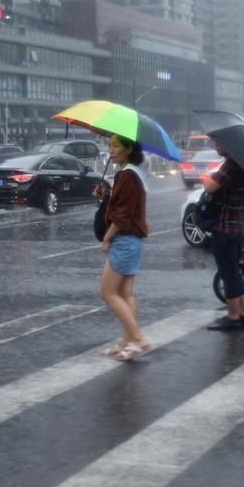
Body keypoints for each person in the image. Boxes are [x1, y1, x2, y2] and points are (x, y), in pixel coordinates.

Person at [93, 134, 150, 361]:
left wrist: (107, 239)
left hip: (124, 240)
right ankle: (128, 341)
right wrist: (106, 197)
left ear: (129, 149)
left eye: (115, 146)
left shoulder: (126, 175)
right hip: (132, 240)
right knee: (125, 294)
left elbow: (123, 215)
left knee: (107, 293)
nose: (111, 150)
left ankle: (137, 338)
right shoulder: (134, 173)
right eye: (109, 146)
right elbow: (124, 205)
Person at [204, 142, 244, 330]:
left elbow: (209, 187)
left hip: (226, 226)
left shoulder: (231, 164)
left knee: (228, 271)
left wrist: (207, 178)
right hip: (240, 227)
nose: (216, 146)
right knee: (234, 269)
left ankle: (233, 316)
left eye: (219, 144)